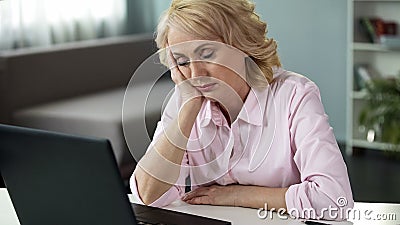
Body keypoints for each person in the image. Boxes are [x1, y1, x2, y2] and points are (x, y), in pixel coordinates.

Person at [130, 0, 353, 220]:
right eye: (182, 61)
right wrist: (189, 108)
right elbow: (148, 195)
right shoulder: (185, 97)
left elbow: (334, 199)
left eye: (207, 54)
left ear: (241, 45)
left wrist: (236, 195)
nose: (196, 74)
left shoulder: (294, 95)